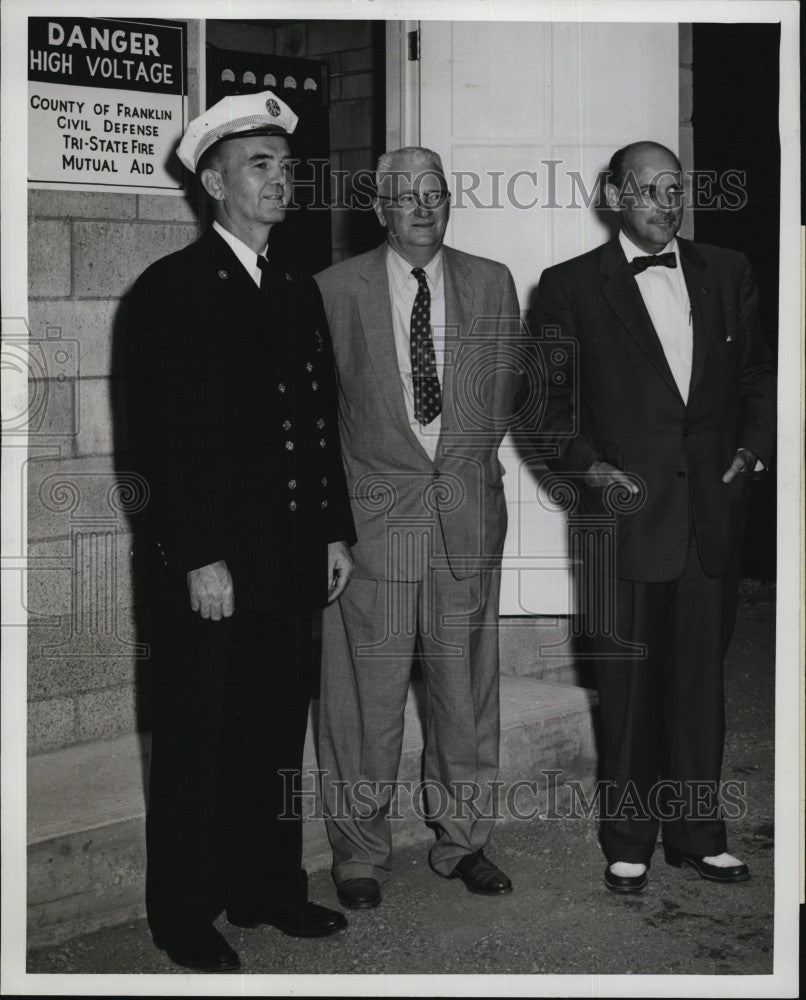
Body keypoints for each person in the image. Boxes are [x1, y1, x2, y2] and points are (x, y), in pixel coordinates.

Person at [125, 91, 356, 972]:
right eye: (258, 165)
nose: (279, 180)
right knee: (196, 737)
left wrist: (332, 532)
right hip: (212, 565)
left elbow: (316, 421)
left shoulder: (294, 285)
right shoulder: (172, 291)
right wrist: (195, 556)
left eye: (284, 165)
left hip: (290, 554)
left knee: (270, 729)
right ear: (214, 183)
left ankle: (267, 888)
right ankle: (184, 914)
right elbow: (155, 446)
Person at [528, 141, 776, 894]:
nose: (667, 204)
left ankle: (700, 835)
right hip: (624, 520)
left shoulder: (727, 271)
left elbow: (761, 377)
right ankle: (629, 837)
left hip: (709, 515)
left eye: (677, 190)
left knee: (701, 683)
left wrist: (752, 452)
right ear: (613, 197)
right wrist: (589, 468)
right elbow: (542, 403)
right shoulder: (569, 287)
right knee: (630, 690)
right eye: (649, 191)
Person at [314, 146, 527, 910]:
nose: (424, 207)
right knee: (360, 697)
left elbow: (506, 393)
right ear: (380, 208)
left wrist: (468, 470)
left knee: (463, 693)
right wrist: (328, 528)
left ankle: (463, 841)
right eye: (407, 195)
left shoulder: (491, 282)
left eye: (436, 192)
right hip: (373, 527)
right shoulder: (333, 290)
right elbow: (319, 419)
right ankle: (360, 853)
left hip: (464, 520)